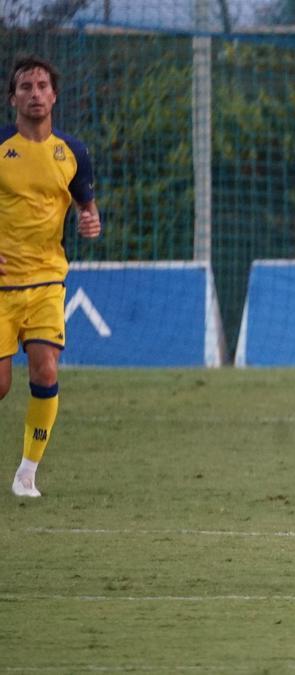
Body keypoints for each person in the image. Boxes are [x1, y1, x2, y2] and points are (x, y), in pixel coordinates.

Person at [2, 56, 102, 498]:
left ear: (54, 96)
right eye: (26, 86)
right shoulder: (1, 149)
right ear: (13, 98)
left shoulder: (73, 152)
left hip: (46, 281)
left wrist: (90, 221)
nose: (36, 93)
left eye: (43, 85)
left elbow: (86, 206)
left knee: (45, 370)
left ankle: (27, 473)